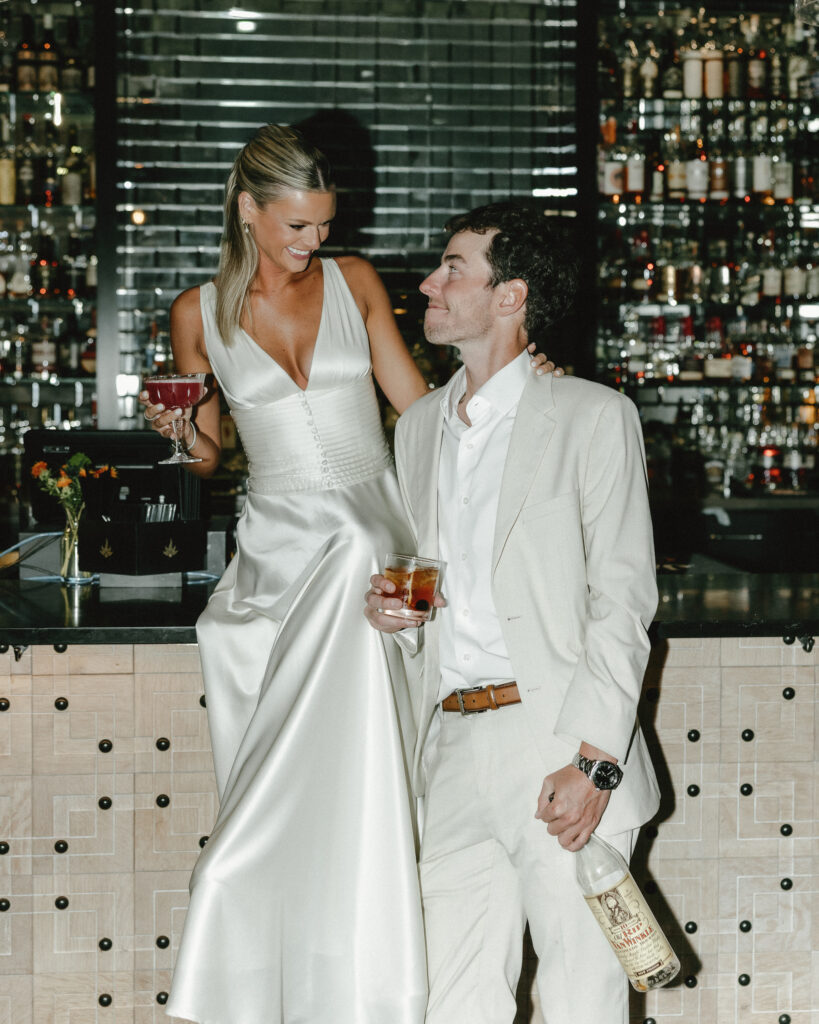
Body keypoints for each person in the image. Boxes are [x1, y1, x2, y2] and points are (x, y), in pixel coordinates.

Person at [138, 126, 557, 1024]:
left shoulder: (353, 282)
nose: (311, 243)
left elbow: (416, 403)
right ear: (247, 209)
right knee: (281, 793)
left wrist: (521, 385)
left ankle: (350, 976)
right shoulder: (195, 312)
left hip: (373, 538)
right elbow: (210, 460)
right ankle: (276, 983)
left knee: (369, 777)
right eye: (295, 226)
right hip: (274, 551)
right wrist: (177, 434)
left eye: (322, 226)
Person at [365, 202, 660, 1024]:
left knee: (578, 995)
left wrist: (595, 763)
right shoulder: (418, 426)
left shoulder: (593, 417)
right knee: (450, 999)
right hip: (447, 745)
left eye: (454, 266)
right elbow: (422, 578)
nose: (429, 282)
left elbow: (623, 600)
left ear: (511, 296)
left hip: (558, 743)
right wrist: (387, 608)